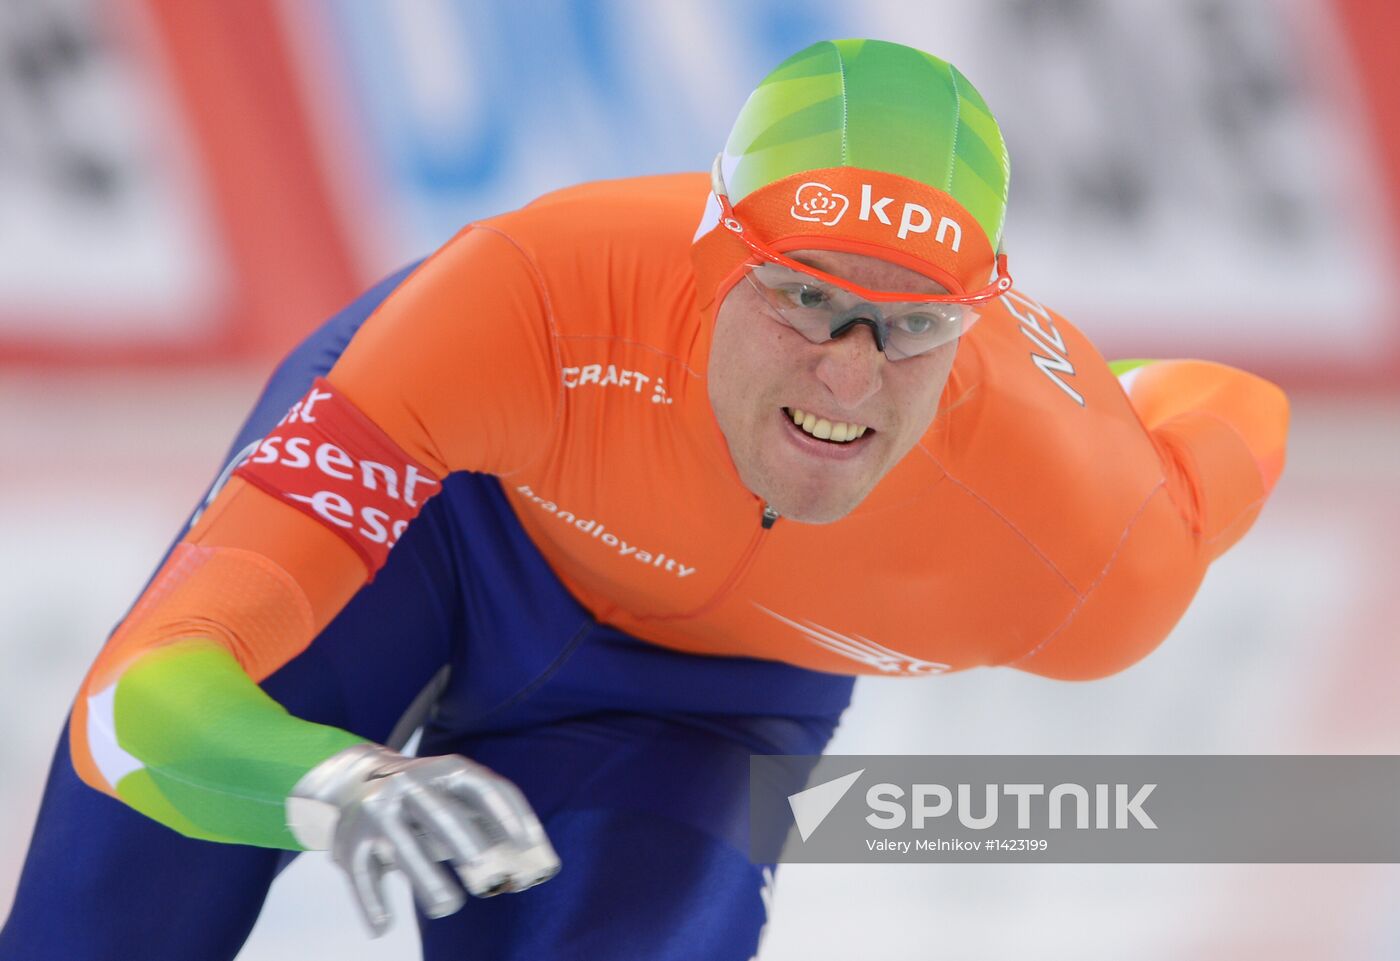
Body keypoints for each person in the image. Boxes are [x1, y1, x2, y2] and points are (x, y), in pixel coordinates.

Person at [0, 38, 1287, 961]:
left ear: (978, 317)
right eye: (801, 294)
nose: (846, 371)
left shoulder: (1077, 544)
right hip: (451, 516)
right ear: (710, 243)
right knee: (105, 924)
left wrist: (1099, 402)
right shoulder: (524, 299)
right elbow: (137, 699)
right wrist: (320, 781)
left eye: (908, 325)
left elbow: (1234, 410)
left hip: (701, 703)